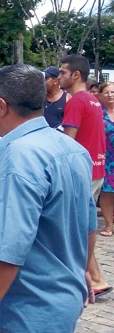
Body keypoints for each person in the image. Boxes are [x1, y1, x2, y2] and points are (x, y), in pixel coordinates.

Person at [0, 65, 97, 333]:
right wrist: (83, 269)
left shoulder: (17, 160)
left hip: (23, 308)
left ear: (1, 105)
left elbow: (8, 247)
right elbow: (88, 225)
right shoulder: (72, 150)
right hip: (60, 300)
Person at [59, 54, 112, 297]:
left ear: (75, 75)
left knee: (76, 228)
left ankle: (95, 278)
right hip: (96, 169)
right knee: (80, 226)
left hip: (82, 172)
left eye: (62, 73)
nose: (59, 77)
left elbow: (67, 143)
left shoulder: (77, 101)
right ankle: (90, 275)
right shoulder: (92, 100)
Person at [100, 82, 114, 237]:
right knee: (107, 191)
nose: (110, 95)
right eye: (107, 92)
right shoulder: (98, 112)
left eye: (113, 92)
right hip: (106, 156)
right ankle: (108, 224)